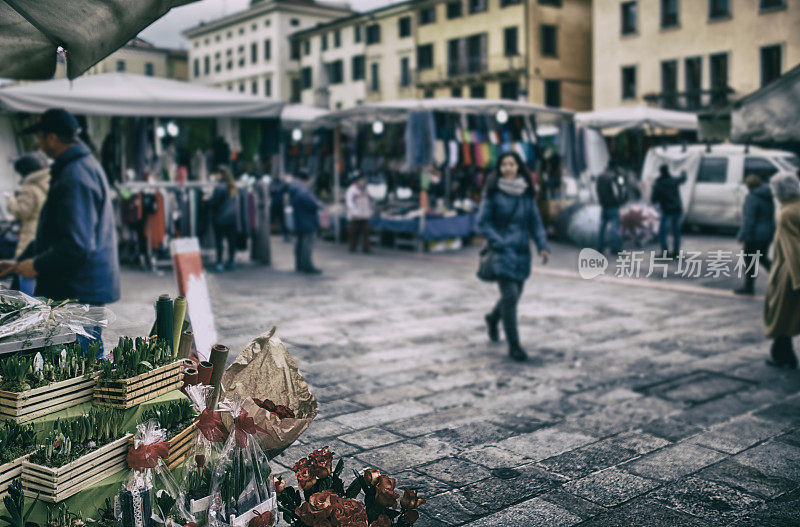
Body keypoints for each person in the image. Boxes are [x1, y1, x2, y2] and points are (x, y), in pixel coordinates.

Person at [0, 108, 120, 346]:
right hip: (79, 286)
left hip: (79, 290)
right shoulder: (77, 167)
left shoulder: (75, 175)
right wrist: (19, 263)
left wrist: (34, 264)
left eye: (40, 136)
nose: (38, 142)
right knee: (80, 359)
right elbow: (58, 231)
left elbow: (76, 245)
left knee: (80, 363)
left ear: (51, 138)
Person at [478, 151, 551, 362]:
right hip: (502, 252)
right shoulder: (492, 192)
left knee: (514, 295)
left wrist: (542, 246)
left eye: (512, 164)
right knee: (510, 296)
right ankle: (515, 346)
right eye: (504, 164)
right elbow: (483, 222)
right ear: (499, 169)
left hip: (521, 252)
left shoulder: (527, 193)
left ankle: (492, 319)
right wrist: (498, 242)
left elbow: (535, 222)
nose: (508, 168)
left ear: (518, 167)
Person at [763, 172, 800, 369]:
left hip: (788, 271)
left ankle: (783, 355)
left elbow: (794, 249)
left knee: (780, 312)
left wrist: (798, 280)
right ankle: (782, 353)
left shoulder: (786, 213)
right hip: (791, 269)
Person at [5, 153, 50, 295]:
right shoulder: (48, 181)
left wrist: (10, 201)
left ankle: (28, 307)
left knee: (24, 272)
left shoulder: (29, 187)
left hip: (30, 235)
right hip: (44, 232)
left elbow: (22, 211)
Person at [735, 175, 775, 295]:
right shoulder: (768, 196)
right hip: (768, 232)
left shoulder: (752, 198)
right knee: (762, 258)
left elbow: (749, 220)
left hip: (755, 235)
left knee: (750, 260)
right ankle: (780, 276)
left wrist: (742, 235)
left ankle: (749, 287)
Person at [289, 171, 323, 274]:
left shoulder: (295, 188)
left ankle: (300, 265)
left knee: (300, 244)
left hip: (300, 219)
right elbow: (311, 203)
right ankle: (307, 266)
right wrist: (318, 204)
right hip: (307, 220)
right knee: (307, 244)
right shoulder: (303, 190)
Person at [651, 165, 687, 258]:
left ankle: (665, 252)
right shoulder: (673, 181)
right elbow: (683, 179)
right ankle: (676, 251)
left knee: (662, 232)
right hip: (677, 209)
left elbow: (653, 199)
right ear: (668, 171)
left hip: (666, 210)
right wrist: (684, 172)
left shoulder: (658, 184)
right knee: (676, 231)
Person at [207, 166, 239, 272]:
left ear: (220, 174)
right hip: (232, 218)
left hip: (220, 219)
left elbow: (215, 203)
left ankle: (220, 262)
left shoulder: (220, 188)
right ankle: (231, 261)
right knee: (231, 241)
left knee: (219, 242)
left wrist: (206, 200)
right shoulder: (233, 187)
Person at [595, 162, 628, 254]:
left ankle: (600, 247)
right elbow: (618, 190)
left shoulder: (600, 177)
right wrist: (620, 201)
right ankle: (615, 247)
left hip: (604, 205)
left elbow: (597, 190)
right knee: (614, 228)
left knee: (602, 227)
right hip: (613, 206)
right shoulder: (614, 177)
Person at [345, 171, 374, 253]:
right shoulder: (352, 189)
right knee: (354, 232)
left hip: (364, 214)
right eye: (362, 179)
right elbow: (349, 202)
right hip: (355, 215)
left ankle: (366, 248)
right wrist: (354, 212)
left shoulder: (365, 189)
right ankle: (352, 248)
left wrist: (370, 210)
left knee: (366, 232)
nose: (363, 181)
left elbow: (370, 200)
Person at [269, 174, 290, 242]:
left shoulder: (274, 184)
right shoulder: (279, 184)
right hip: (278, 204)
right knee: (281, 220)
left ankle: (285, 235)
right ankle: (285, 235)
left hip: (276, 204)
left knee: (279, 220)